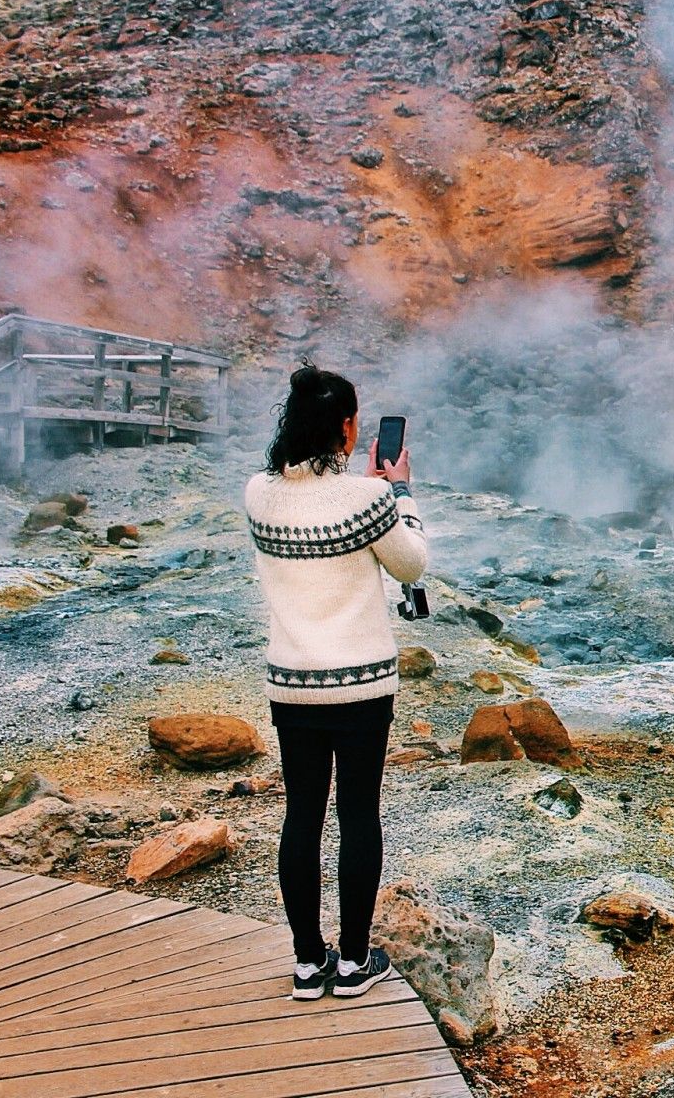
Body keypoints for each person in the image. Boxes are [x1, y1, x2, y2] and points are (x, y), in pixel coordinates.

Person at [245, 362, 427, 1000]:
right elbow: (412, 564)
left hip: (291, 685)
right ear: (348, 429)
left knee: (302, 816)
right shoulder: (368, 500)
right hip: (360, 688)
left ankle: (304, 963)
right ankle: (352, 962)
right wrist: (400, 492)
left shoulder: (257, 493)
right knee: (358, 815)